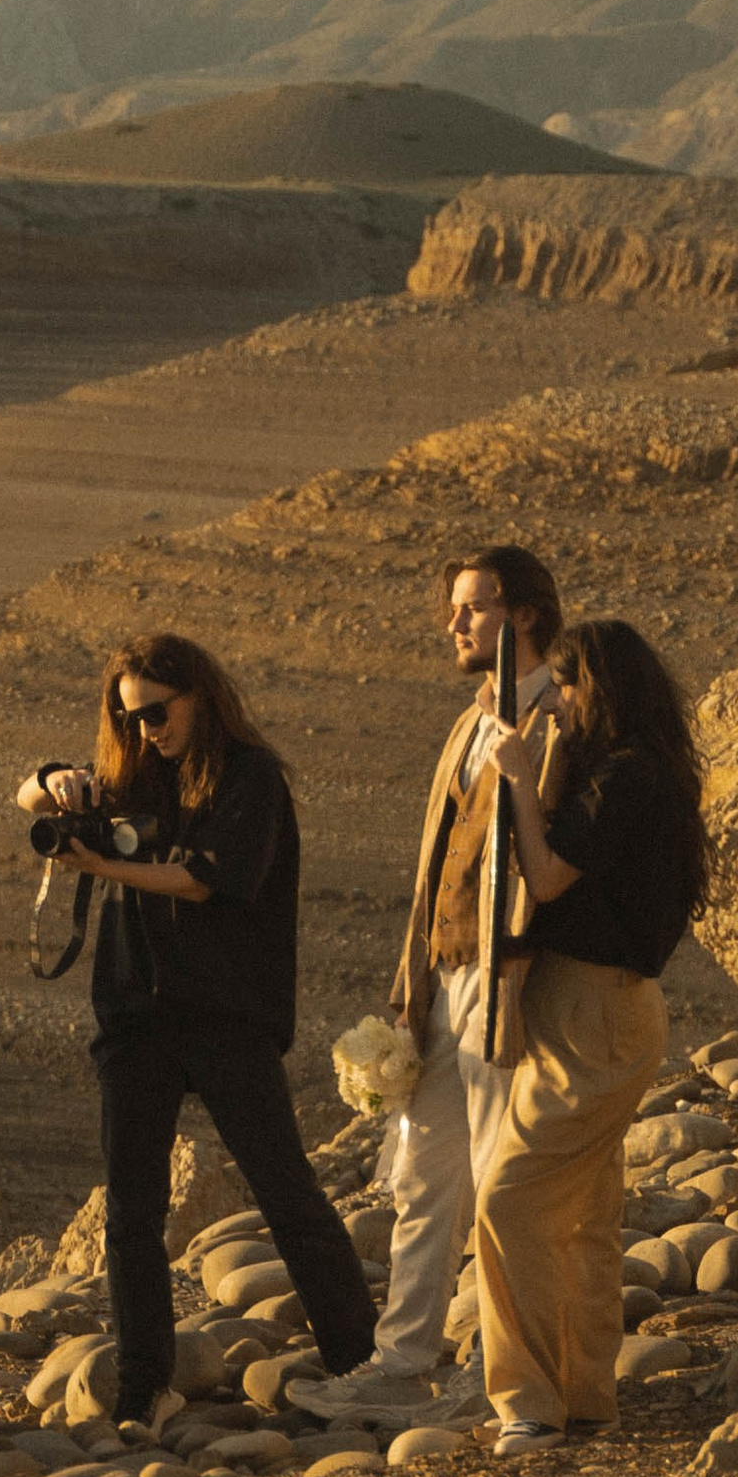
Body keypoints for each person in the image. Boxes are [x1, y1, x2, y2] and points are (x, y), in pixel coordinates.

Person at [24, 636, 376, 1427]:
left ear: (200, 697)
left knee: (287, 1193)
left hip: (227, 1016)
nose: (147, 729)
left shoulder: (251, 778)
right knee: (132, 1211)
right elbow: (25, 797)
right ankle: (147, 1382)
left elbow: (205, 879)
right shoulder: (131, 775)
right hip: (136, 1018)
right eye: (130, 716)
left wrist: (102, 867)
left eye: (158, 711)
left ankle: (359, 1359)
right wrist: (56, 784)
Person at [293, 543, 568, 1429]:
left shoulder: (559, 720)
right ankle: (403, 1361)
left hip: (509, 977)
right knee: (426, 1175)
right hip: (447, 978)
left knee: (498, 1178)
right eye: (457, 609)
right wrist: (409, 985)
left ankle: (493, 1370)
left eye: (473, 608)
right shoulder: (471, 720)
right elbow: (435, 863)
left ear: (523, 616)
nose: (454, 624)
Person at [470, 618, 711, 1461]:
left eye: (566, 687)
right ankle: (583, 1396)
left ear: (596, 687)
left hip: (595, 1013)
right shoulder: (645, 772)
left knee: (510, 1201)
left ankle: (528, 1404)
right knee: (584, 1211)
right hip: (599, 1007)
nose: (559, 704)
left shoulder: (626, 780)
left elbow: (545, 875)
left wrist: (520, 781)